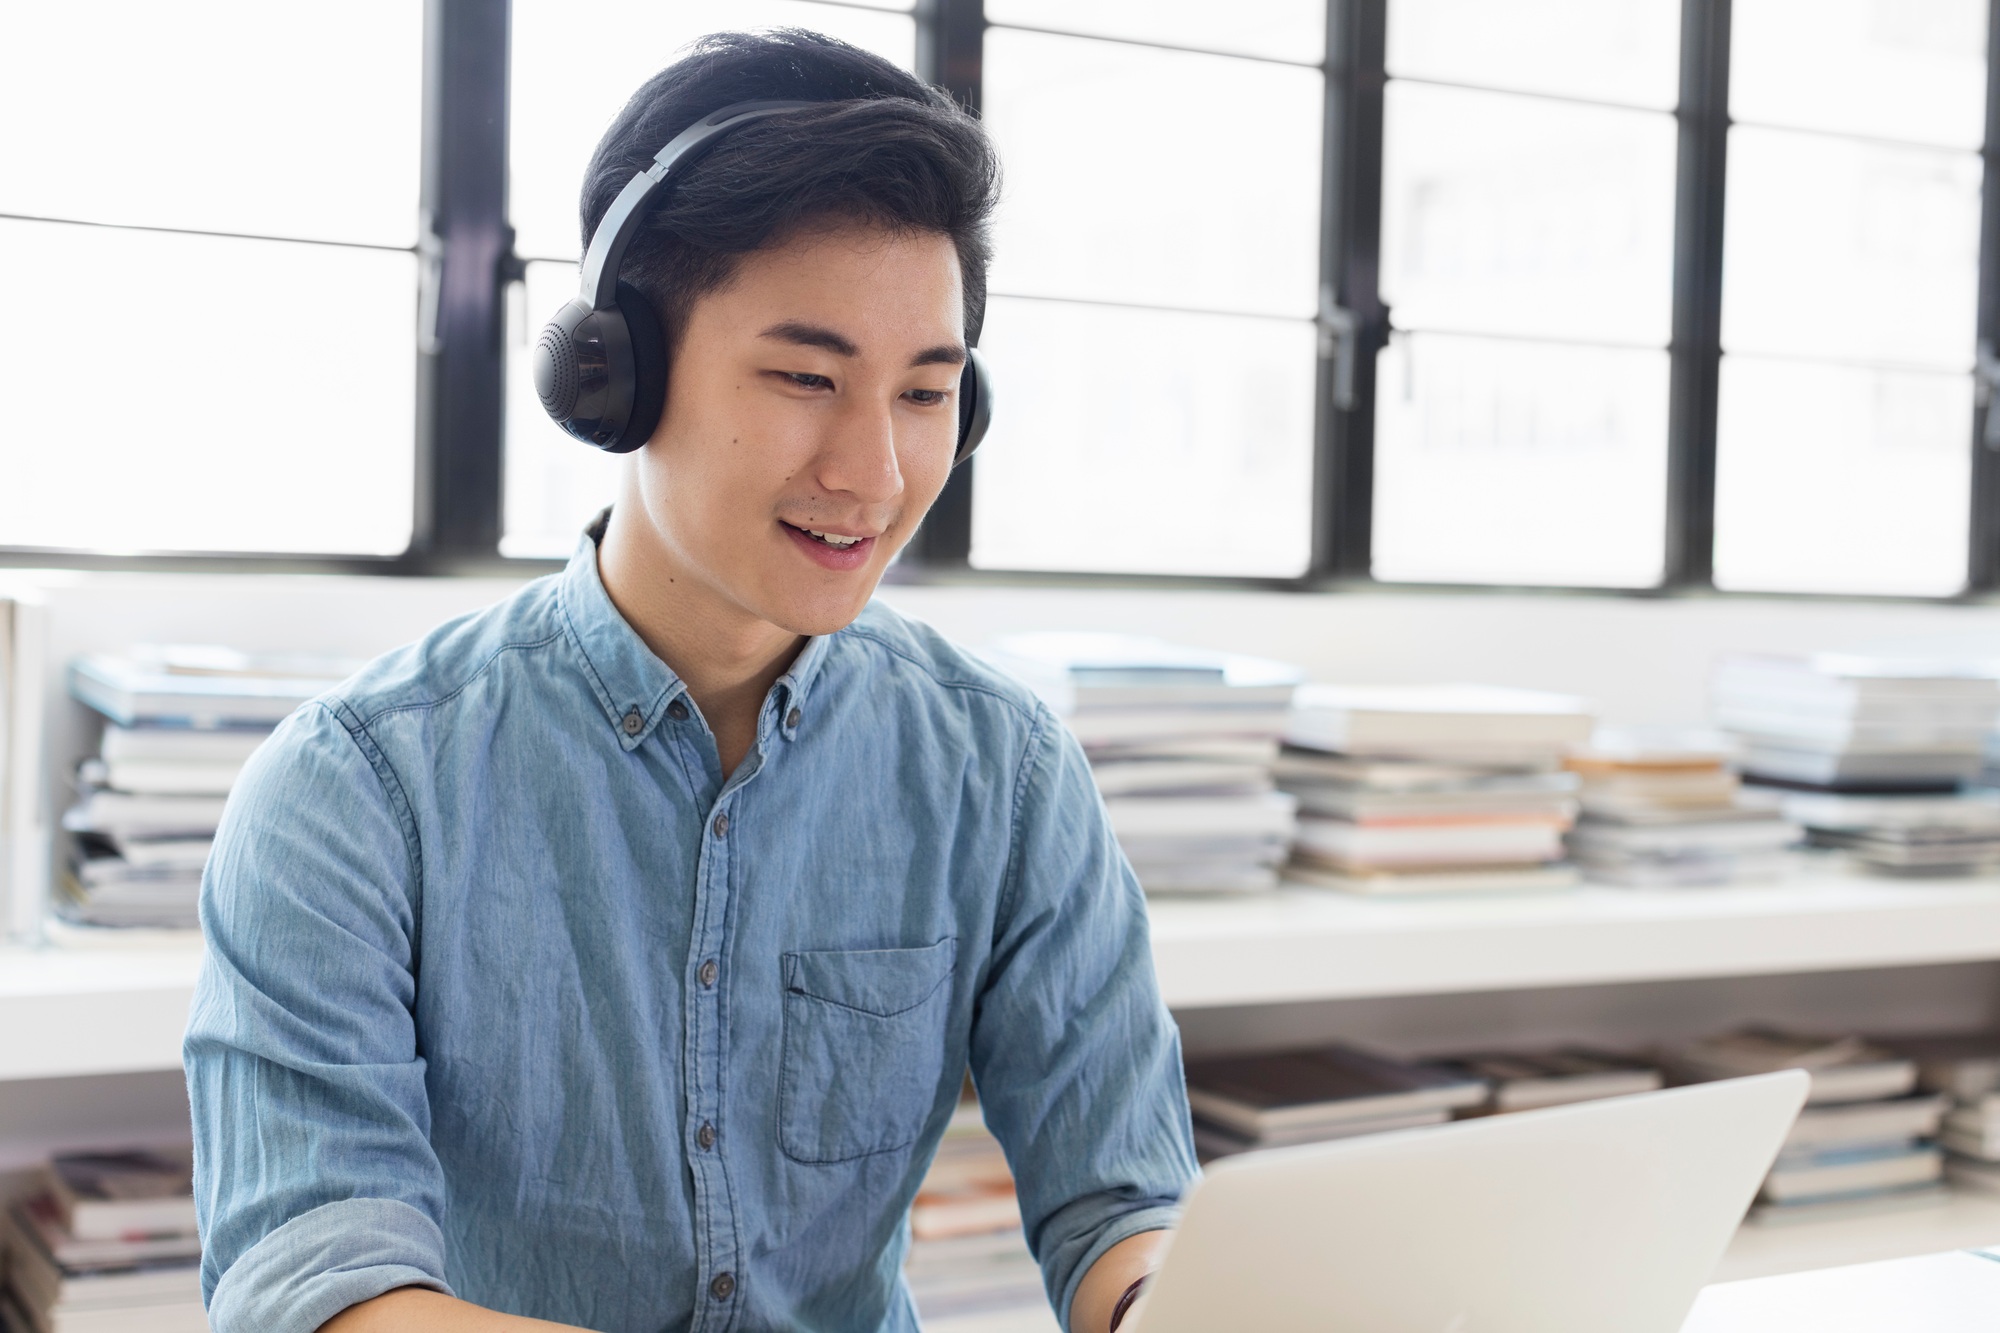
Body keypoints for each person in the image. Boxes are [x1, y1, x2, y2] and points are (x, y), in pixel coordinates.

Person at [183, 27, 1198, 1333]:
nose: (875, 475)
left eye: (927, 393)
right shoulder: (357, 786)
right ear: (615, 373)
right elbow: (314, 1289)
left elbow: (1123, 1200)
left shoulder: (999, 767)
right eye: (805, 378)